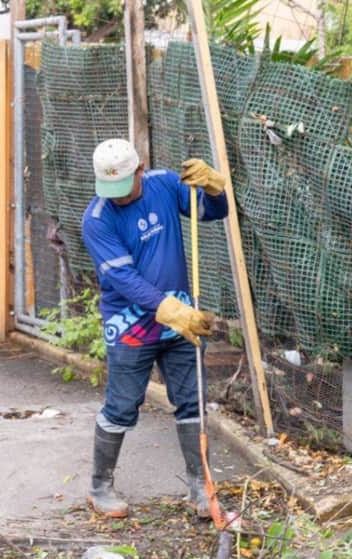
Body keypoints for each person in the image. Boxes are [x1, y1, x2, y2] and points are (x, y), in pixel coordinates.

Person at [80, 138, 229, 519]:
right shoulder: (97, 219)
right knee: (122, 404)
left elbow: (211, 213)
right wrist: (170, 309)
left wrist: (215, 189)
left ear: (140, 170)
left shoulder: (164, 183)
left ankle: (200, 486)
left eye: (123, 187)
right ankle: (100, 487)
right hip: (131, 328)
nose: (116, 197)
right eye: (108, 189)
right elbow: (124, 279)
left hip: (181, 323)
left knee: (191, 399)